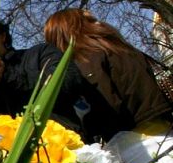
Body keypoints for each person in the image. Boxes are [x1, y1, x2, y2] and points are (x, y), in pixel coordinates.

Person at [0, 13, 122, 142]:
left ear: (1, 36)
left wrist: (6, 77)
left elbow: (67, 82)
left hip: (58, 149)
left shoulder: (39, 54)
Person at [43, 8, 172, 131]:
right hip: (162, 124)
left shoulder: (88, 61)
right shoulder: (120, 49)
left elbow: (106, 109)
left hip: (136, 139)